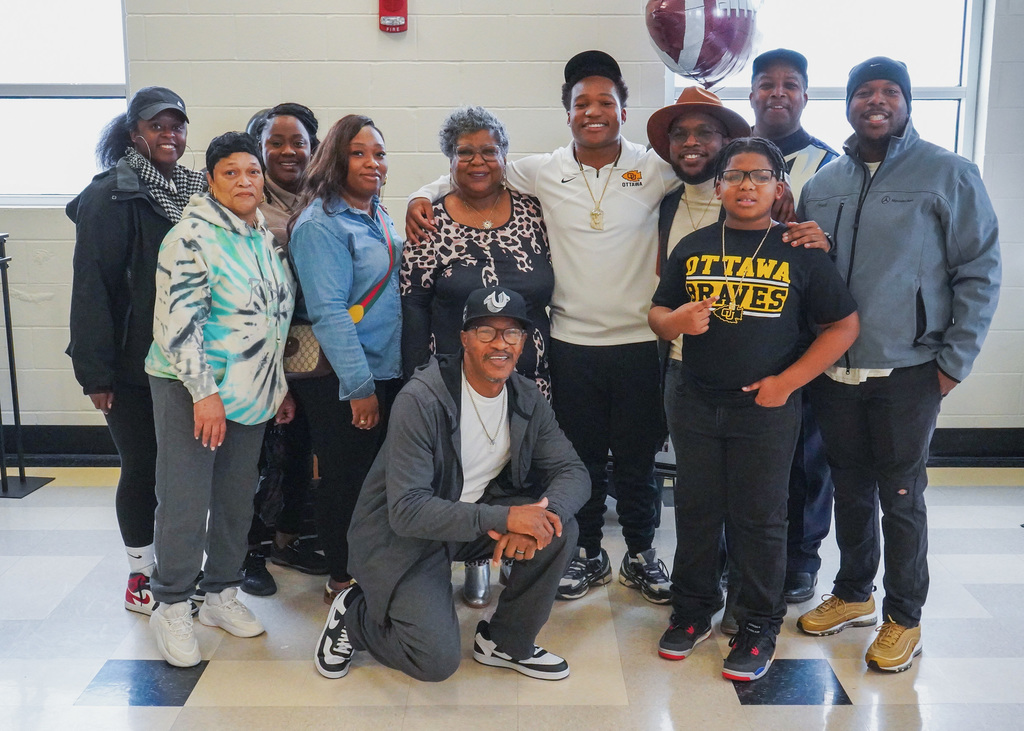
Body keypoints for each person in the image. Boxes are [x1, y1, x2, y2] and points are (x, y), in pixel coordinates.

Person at [407, 51, 678, 605]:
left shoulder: (655, 168)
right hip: (571, 343)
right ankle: (588, 555)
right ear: (568, 113)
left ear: (624, 110)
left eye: (606, 102)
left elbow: (706, 177)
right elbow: (475, 165)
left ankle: (643, 553)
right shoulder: (543, 168)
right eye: (582, 103)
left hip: (638, 342)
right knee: (580, 458)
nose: (593, 112)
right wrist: (420, 193)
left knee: (637, 458)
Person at [796, 57, 1001, 673]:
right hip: (835, 369)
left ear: (907, 104)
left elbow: (980, 270)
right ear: (849, 104)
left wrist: (953, 363)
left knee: (902, 495)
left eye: (889, 92)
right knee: (849, 491)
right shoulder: (824, 181)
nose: (875, 101)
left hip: (910, 369)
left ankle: (904, 617)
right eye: (864, 92)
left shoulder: (947, 172)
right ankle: (856, 593)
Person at [649, 137, 859, 681]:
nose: (747, 185)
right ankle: (693, 611)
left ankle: (758, 624)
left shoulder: (799, 252)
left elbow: (842, 326)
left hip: (765, 407)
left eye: (760, 176)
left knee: (761, 518)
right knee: (696, 510)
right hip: (695, 399)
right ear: (717, 186)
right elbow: (658, 312)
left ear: (778, 187)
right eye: (736, 176)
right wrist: (677, 324)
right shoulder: (693, 246)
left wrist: (786, 383)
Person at [314, 286, 589, 682]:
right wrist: (509, 517)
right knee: (435, 661)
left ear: (524, 341)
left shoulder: (525, 396)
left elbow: (573, 471)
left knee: (560, 528)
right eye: (486, 333)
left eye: (511, 333)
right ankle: (353, 616)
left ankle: (505, 643)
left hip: (465, 522)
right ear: (463, 339)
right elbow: (407, 510)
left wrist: (542, 518)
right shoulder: (422, 399)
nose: (500, 345)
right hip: (402, 536)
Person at [145, 132, 296, 667]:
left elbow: (272, 321)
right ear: (210, 180)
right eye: (230, 173)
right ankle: (171, 605)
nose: (244, 181)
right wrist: (203, 395)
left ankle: (220, 594)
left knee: (236, 497)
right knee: (185, 500)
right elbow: (177, 324)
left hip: (252, 391)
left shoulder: (262, 238)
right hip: (191, 388)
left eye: (251, 172)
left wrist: (275, 387)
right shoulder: (189, 237)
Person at [401, 106, 554, 608]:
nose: (478, 160)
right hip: (455, 377)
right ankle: (469, 559)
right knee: (463, 468)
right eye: (465, 152)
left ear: (505, 155)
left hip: (530, 372)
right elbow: (415, 302)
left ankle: (515, 550)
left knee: (519, 466)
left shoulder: (534, 210)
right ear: (449, 160)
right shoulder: (431, 219)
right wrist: (416, 378)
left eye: (489, 150)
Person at [67, 86, 206, 617]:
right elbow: (93, 288)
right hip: (127, 366)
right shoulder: (112, 194)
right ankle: (138, 573)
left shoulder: (191, 191)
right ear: (134, 134)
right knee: (143, 466)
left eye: (176, 126)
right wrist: (95, 373)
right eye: (156, 127)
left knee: (181, 471)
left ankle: (177, 568)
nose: (169, 136)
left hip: (181, 361)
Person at [288, 114, 404, 605]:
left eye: (378, 153)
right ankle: (342, 577)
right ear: (335, 158)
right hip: (345, 377)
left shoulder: (376, 212)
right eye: (358, 153)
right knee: (345, 479)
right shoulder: (320, 224)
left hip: (386, 367)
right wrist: (360, 390)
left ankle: (370, 565)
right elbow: (330, 312)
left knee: (373, 478)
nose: (372, 163)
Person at [749, 48, 841, 605]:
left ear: (805, 95)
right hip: (741, 329)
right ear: (752, 94)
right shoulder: (731, 160)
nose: (777, 92)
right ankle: (744, 554)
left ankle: (802, 560)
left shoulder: (828, 167)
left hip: (802, 336)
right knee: (749, 458)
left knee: (805, 459)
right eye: (766, 83)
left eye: (790, 84)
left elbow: (839, 251)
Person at [239, 102, 327, 596]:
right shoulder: (247, 205)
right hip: (260, 350)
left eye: (299, 142)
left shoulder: (325, 197)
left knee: (299, 452)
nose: (289, 151)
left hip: (315, 349)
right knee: (264, 456)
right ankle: (248, 553)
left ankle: (286, 540)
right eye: (276, 142)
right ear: (260, 148)